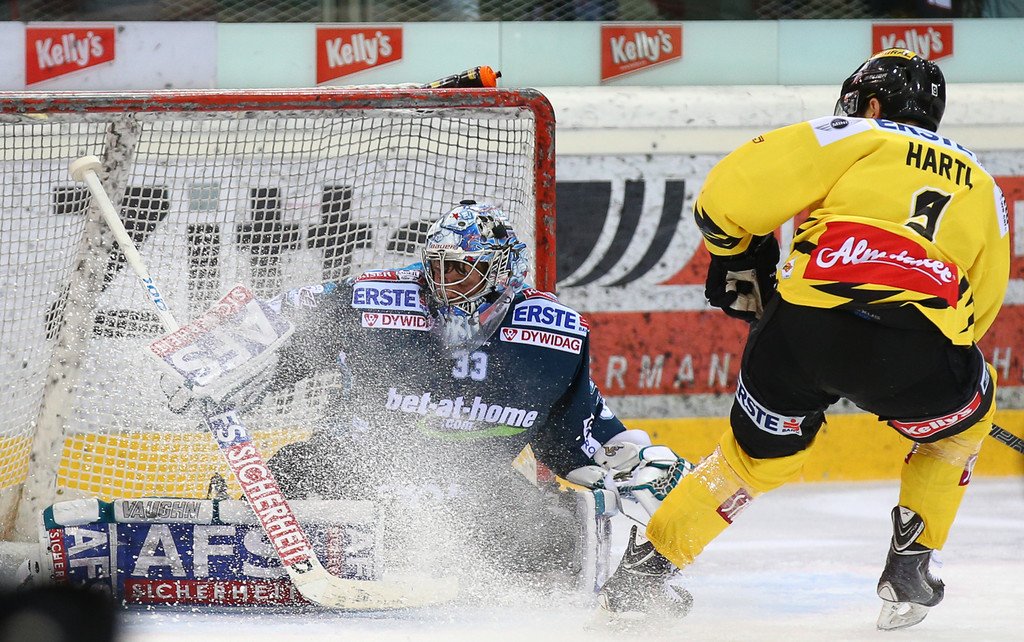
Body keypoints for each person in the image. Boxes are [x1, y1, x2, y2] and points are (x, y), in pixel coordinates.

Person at [597, 48, 1010, 631]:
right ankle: (912, 563)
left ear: (872, 105)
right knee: (957, 433)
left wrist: (737, 258)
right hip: (913, 351)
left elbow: (724, 199)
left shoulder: (855, 134)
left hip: (799, 332)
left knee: (746, 463)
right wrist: (911, 382)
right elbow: (978, 314)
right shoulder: (983, 185)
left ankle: (642, 578)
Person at [235, 200, 694, 598]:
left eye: (459, 269)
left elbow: (576, 441)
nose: (442, 282)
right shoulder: (376, 300)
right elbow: (282, 326)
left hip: (472, 494)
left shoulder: (551, 334)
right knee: (291, 473)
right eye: (436, 267)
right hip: (351, 479)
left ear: (499, 272)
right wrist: (219, 356)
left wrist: (632, 470)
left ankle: (633, 589)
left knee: (556, 540)